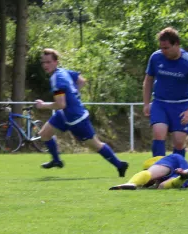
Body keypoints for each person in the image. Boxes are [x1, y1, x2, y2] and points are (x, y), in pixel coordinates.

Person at [34, 48, 129, 177]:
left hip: (76, 119)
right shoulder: (64, 72)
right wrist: (74, 94)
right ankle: (56, 160)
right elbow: (81, 81)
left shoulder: (57, 79)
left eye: (49, 62)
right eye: (43, 62)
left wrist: (43, 105)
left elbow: (61, 104)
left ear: (56, 62)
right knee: (44, 134)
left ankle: (120, 165)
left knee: (96, 146)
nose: (45, 65)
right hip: (64, 114)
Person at [143, 27, 188, 158]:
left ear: (176, 44)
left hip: (181, 105)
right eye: (161, 48)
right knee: (159, 134)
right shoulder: (156, 57)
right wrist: (146, 103)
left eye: (166, 48)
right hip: (160, 103)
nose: (163, 51)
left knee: (179, 142)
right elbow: (148, 80)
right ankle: (158, 172)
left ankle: (177, 173)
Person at [109, 154, 188, 190]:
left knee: (150, 173)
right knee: (162, 186)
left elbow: (149, 173)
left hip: (172, 161)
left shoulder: (157, 163)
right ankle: (182, 178)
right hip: (184, 171)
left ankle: (130, 183)